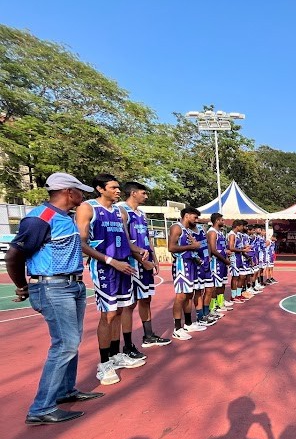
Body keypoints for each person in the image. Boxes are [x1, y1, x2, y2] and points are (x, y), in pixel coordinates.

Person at [5, 173, 103, 425]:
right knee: (65, 343)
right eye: (80, 191)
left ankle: (65, 390)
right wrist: (22, 286)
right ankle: (41, 408)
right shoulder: (40, 218)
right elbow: (14, 255)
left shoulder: (65, 218)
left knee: (71, 341)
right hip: (53, 287)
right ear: (68, 192)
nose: (83, 196)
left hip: (72, 285)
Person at [76, 173, 144, 386]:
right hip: (105, 267)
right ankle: (104, 362)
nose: (117, 191)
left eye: (117, 188)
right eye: (113, 187)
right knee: (109, 313)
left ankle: (115, 355)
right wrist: (111, 261)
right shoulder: (88, 208)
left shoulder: (120, 212)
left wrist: (140, 252)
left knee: (123, 309)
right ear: (100, 188)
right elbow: (82, 243)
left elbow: (125, 239)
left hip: (124, 266)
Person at [118, 182, 172, 350]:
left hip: (145, 262)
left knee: (146, 298)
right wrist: (142, 260)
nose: (146, 196)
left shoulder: (141, 214)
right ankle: (127, 345)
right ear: (133, 193)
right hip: (132, 263)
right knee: (130, 303)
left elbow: (148, 239)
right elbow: (125, 241)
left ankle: (148, 335)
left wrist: (154, 258)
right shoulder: (121, 210)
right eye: (143, 193)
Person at [168, 207, 207, 340]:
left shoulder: (188, 231)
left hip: (191, 265)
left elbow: (195, 247)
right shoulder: (176, 227)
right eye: (195, 217)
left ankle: (189, 323)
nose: (197, 220)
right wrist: (192, 247)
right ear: (187, 215)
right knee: (181, 296)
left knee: (189, 295)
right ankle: (177, 328)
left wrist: (196, 249)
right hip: (181, 265)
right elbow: (171, 247)